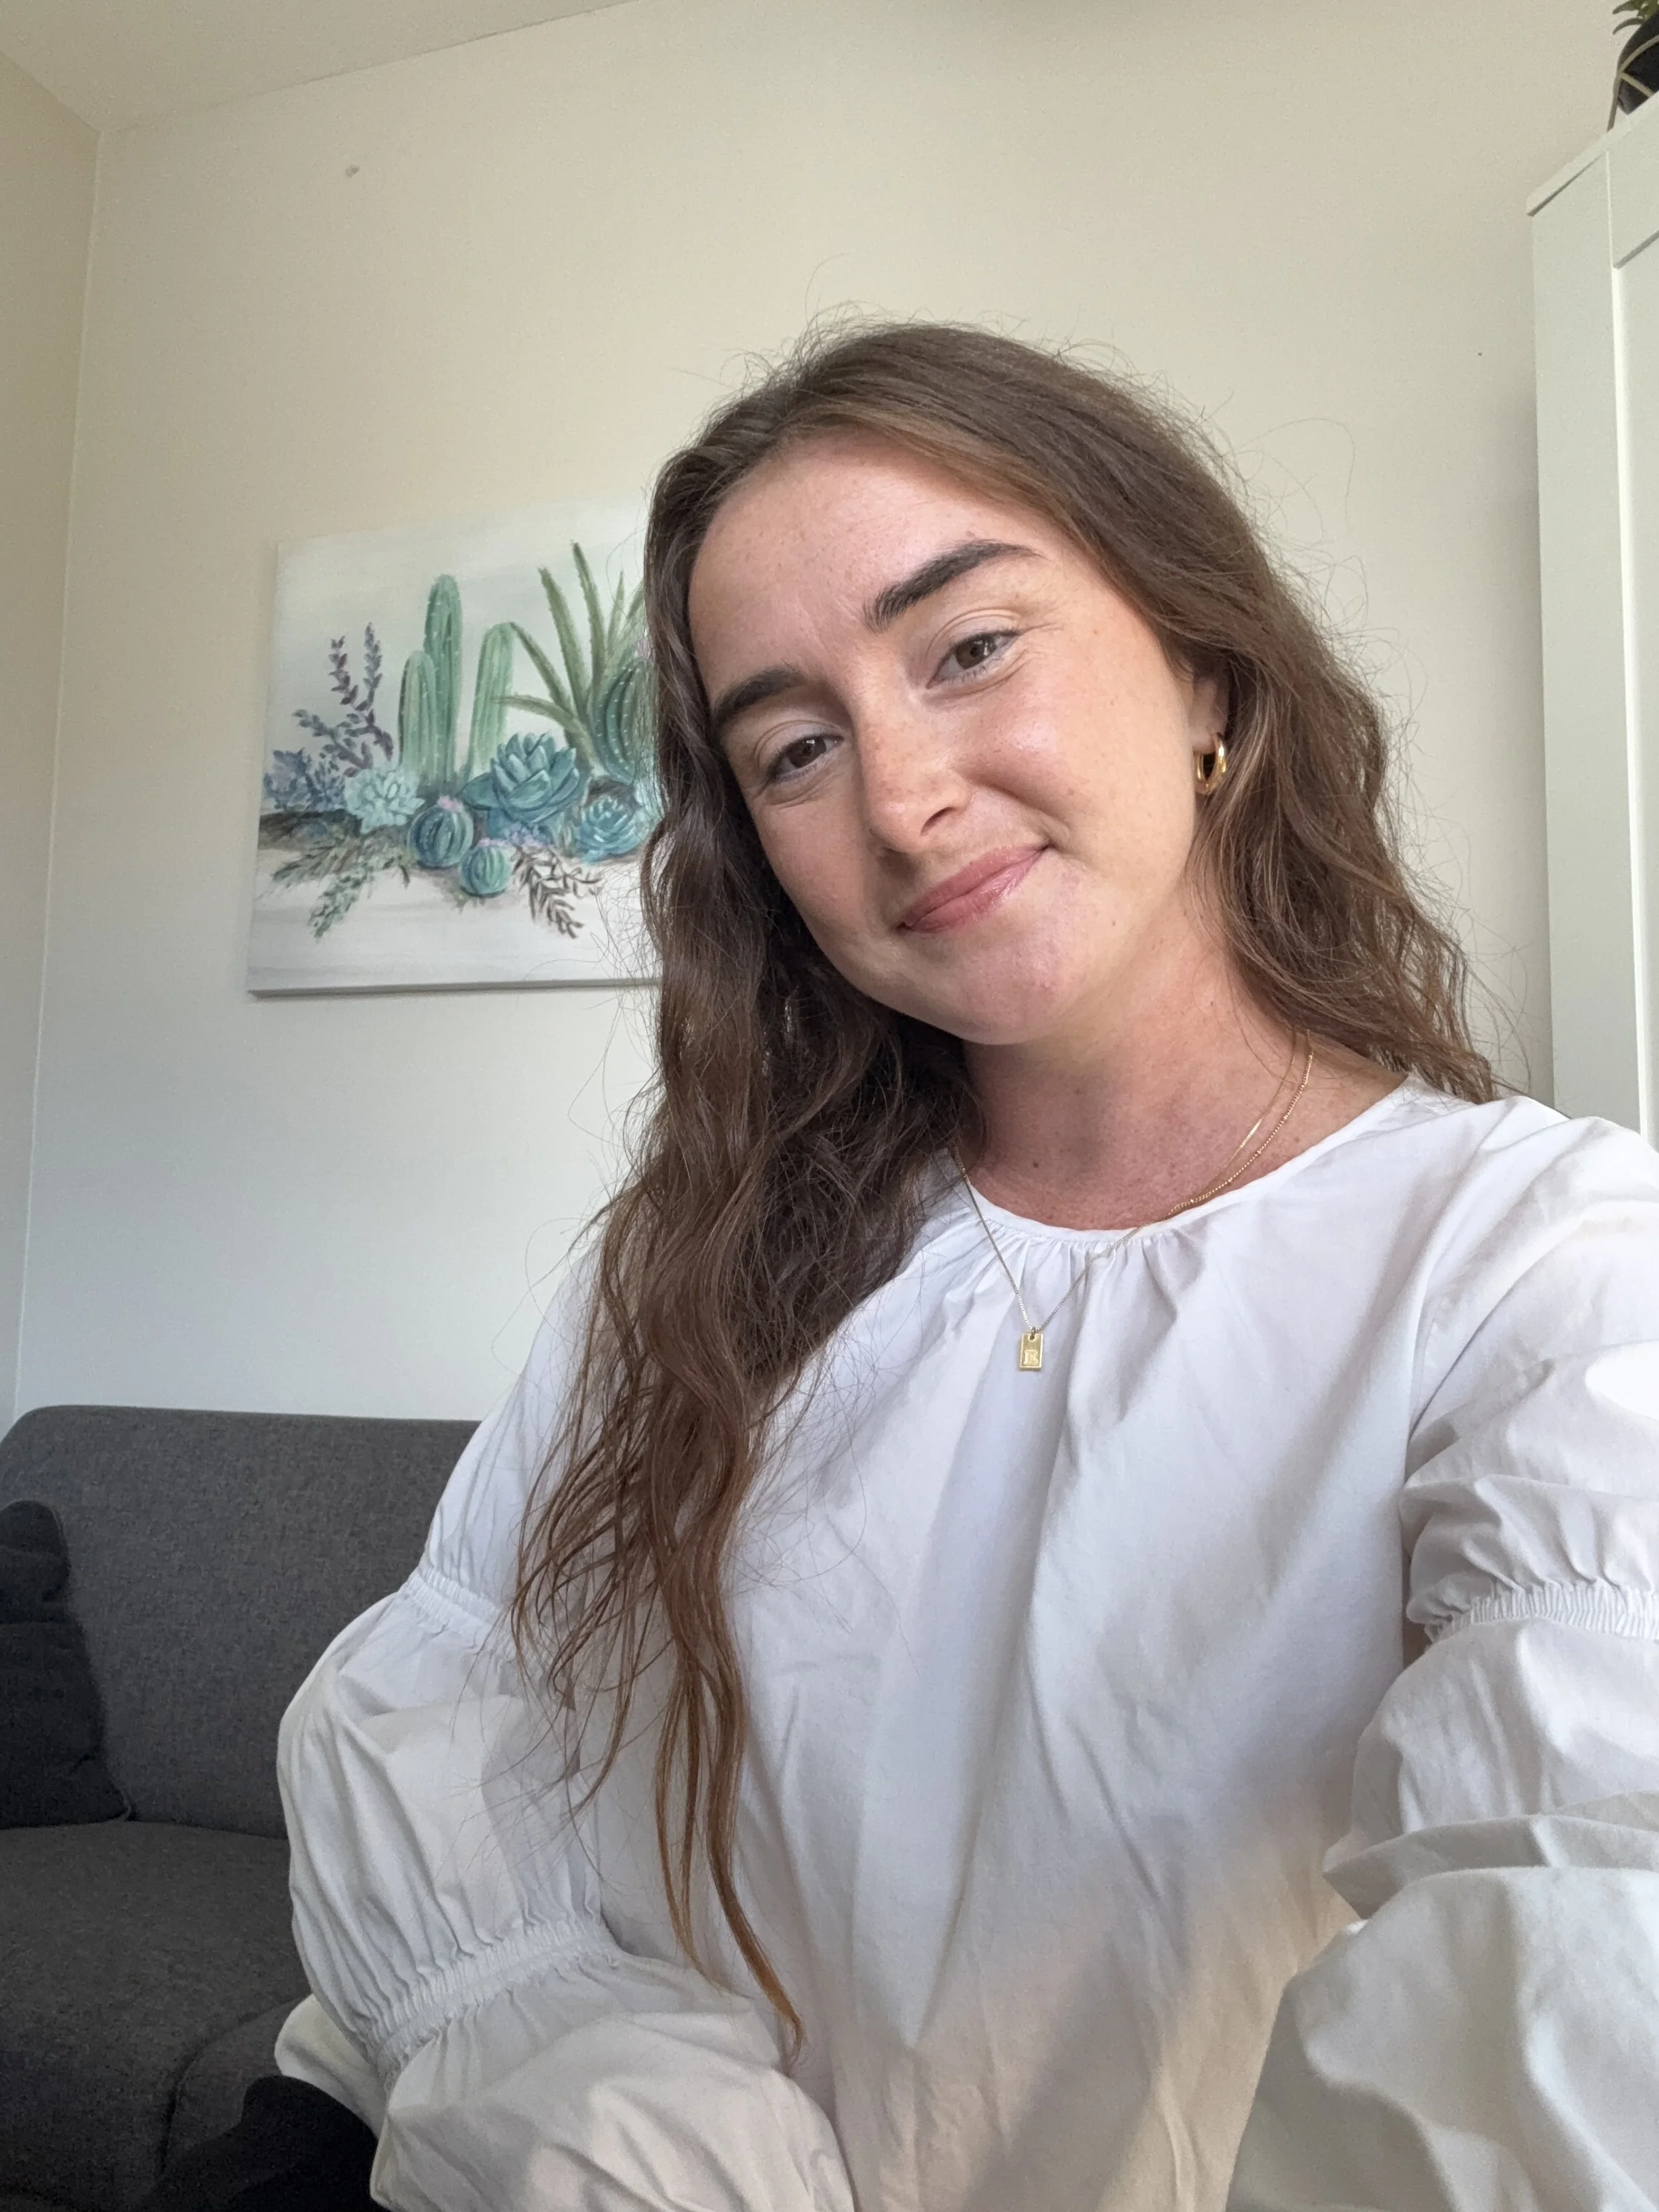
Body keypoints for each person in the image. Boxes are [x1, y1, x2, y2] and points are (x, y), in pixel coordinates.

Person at [241, 326, 1659, 2211]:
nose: (900, 798)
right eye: (796, 746)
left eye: (969, 646)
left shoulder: (1533, 1262)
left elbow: (1576, 1930)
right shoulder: (698, 1254)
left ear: (1204, 674)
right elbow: (453, 1732)